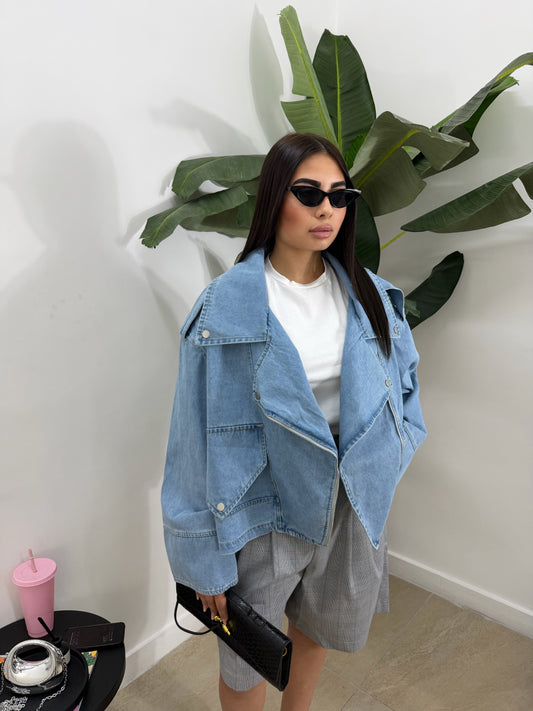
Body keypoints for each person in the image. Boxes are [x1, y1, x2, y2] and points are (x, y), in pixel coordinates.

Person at [161, 132, 426, 711]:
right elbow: (189, 443)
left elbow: (404, 388)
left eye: (340, 195)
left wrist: (387, 459)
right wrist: (202, 560)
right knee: (248, 655)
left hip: (349, 499)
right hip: (262, 504)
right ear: (274, 196)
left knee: (318, 626)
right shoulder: (223, 310)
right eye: (308, 193)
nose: (327, 209)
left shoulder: (372, 296)